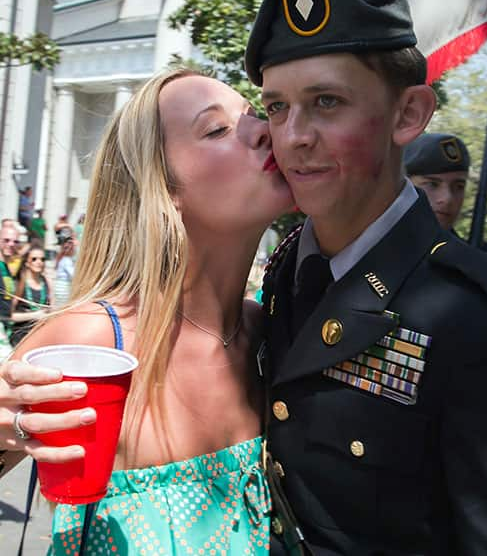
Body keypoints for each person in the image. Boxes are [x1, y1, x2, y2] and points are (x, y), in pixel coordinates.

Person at [244, 0, 487, 554]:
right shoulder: (287, 270)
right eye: (276, 107)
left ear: (409, 115)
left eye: (326, 102)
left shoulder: (486, 323)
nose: (293, 135)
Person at [0, 68, 294, 554]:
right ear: (165, 189)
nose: (265, 129)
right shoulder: (94, 341)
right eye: (217, 129)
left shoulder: (271, 334)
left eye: (254, 115)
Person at [404, 131, 487, 268]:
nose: (447, 198)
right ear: (403, 185)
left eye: (458, 186)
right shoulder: (376, 253)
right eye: (432, 184)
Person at [9, 243, 51, 346]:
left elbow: (50, 309)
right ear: (27, 262)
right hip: (20, 336)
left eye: (42, 259)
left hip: (40, 335)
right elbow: (9, 316)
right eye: (34, 259)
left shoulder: (46, 282)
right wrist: (34, 315)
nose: (39, 262)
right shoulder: (19, 283)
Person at [52, 236, 77, 306]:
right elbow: (73, 275)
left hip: (59, 286)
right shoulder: (67, 260)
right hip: (63, 288)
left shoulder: (61, 258)